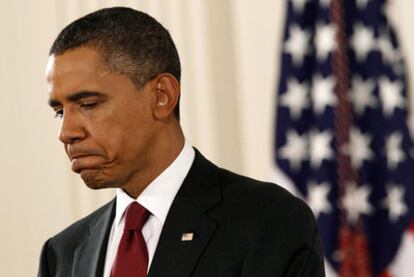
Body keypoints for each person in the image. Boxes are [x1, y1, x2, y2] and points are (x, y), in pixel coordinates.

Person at [38, 7, 325, 277]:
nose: (66, 132)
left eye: (88, 104)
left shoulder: (269, 222)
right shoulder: (62, 254)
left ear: (161, 96)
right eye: (59, 112)